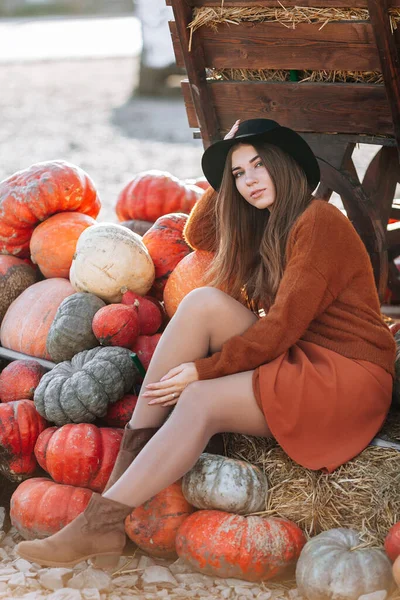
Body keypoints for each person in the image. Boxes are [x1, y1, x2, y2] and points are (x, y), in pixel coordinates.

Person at [17, 118, 396, 568]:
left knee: (199, 398)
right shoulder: (268, 222)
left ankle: (101, 522)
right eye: (238, 174)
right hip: (305, 357)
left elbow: (279, 329)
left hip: (346, 378)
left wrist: (203, 370)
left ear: (286, 165)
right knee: (201, 303)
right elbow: (200, 236)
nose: (250, 180)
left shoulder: (317, 222)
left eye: (259, 165)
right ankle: (115, 497)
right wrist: (225, 162)